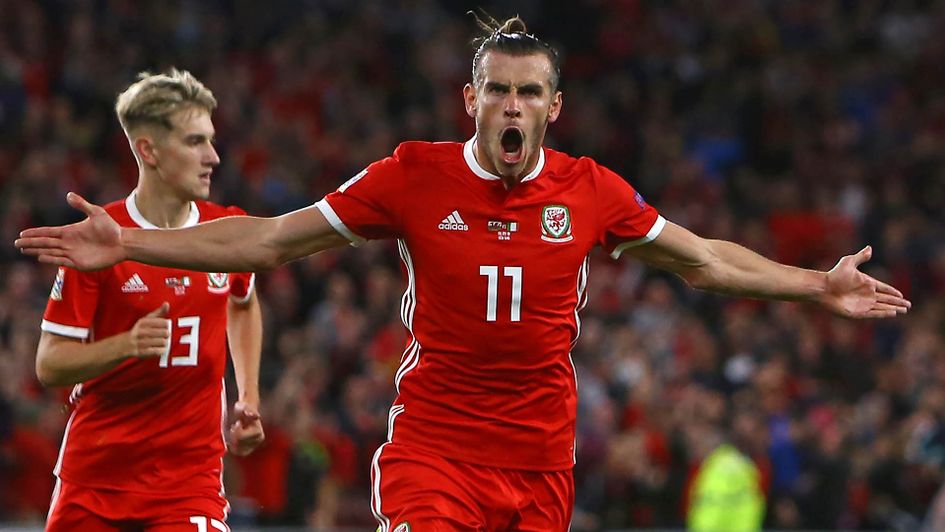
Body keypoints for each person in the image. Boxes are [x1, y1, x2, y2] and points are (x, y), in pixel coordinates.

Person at [17, 16, 910, 532]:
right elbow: (269, 242)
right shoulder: (412, 175)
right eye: (496, 90)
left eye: (528, 92)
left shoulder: (590, 192)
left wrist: (813, 286)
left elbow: (706, 262)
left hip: (539, 461)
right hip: (434, 454)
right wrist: (129, 244)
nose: (510, 107)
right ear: (470, 100)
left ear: (553, 106)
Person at [30, 69, 265, 531]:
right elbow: (49, 364)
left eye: (211, 140)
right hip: (95, 480)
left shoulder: (226, 231)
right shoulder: (99, 240)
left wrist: (249, 395)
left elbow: (244, 302)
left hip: (187, 485)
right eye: (195, 142)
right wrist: (126, 345)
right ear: (148, 150)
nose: (213, 157)